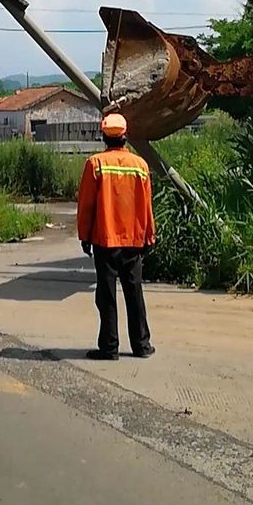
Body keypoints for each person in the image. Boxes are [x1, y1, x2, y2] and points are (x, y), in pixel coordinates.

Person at [76, 112, 155, 361]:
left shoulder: (95, 164)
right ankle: (141, 345)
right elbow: (147, 206)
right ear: (125, 136)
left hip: (105, 240)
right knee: (135, 293)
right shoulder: (140, 166)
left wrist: (84, 236)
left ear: (104, 136)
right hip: (134, 240)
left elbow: (86, 205)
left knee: (106, 295)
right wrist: (149, 236)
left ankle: (109, 348)